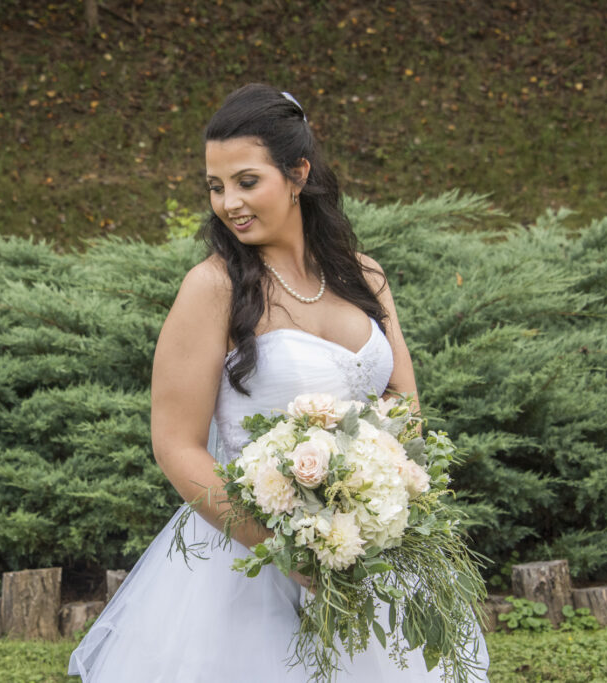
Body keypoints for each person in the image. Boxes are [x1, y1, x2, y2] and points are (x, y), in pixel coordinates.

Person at [69, 84, 489, 682]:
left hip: (369, 553)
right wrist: (283, 549)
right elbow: (175, 444)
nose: (228, 203)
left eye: (246, 181)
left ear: (298, 173)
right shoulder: (211, 289)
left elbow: (402, 402)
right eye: (215, 186)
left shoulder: (363, 274)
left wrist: (374, 495)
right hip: (243, 563)